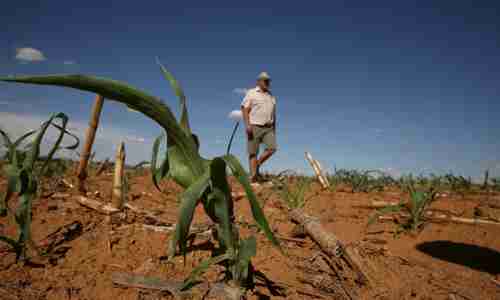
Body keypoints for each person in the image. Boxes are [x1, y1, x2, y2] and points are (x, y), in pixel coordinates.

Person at [241, 72, 277, 183]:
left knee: (272, 148)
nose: (267, 82)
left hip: (268, 127)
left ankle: (257, 165)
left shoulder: (272, 97)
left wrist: (274, 129)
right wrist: (247, 125)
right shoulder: (251, 93)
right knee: (253, 153)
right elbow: (244, 109)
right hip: (254, 126)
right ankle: (253, 179)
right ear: (259, 81)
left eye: (268, 81)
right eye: (264, 80)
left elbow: (274, 114)